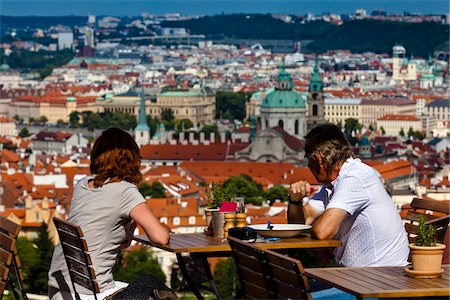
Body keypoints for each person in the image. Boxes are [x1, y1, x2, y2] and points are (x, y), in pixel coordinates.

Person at [48, 127, 170, 299]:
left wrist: (127, 230)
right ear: (131, 159)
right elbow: (161, 237)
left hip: (59, 289)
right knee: (153, 285)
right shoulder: (125, 191)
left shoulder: (82, 184)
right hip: (89, 294)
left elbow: (109, 239)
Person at [288, 124, 409, 268]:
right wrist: (294, 201)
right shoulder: (334, 182)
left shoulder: (354, 177)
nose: (308, 164)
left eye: (308, 158)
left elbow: (322, 232)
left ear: (319, 160)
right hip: (362, 275)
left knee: (290, 287)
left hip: (380, 277)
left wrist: (316, 224)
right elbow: (300, 222)